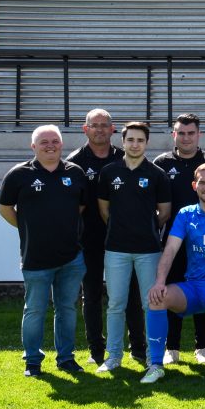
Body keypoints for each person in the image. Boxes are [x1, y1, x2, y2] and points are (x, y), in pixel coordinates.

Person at [0, 125, 88, 377]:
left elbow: (80, 207)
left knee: (66, 309)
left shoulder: (75, 172)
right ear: (33, 146)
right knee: (35, 310)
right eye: (44, 142)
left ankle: (66, 359)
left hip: (71, 257)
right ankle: (33, 361)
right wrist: (28, 227)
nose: (50, 145)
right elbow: (4, 208)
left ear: (61, 144)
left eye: (55, 141)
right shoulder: (19, 174)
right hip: (35, 258)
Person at [144, 164, 205, 385]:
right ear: (194, 185)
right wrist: (159, 282)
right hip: (192, 287)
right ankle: (156, 366)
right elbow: (170, 250)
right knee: (157, 298)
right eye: (202, 183)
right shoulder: (186, 214)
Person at [67, 108, 144, 365]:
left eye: (104, 125)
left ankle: (138, 348)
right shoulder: (75, 161)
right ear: (85, 129)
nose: (99, 129)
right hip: (88, 240)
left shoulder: (125, 157)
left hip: (123, 239)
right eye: (94, 125)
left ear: (113, 129)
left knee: (130, 294)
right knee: (91, 294)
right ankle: (96, 350)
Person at [95, 122, 172, 373]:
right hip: (116, 249)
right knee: (116, 304)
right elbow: (104, 210)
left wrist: (143, 227)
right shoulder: (109, 172)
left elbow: (164, 212)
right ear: (123, 142)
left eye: (140, 140)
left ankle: (153, 357)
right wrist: (122, 228)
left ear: (146, 143)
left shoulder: (156, 174)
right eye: (130, 140)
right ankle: (114, 356)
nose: (135, 144)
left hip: (148, 250)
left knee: (151, 304)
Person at [153, 113, 205, 365]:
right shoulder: (162, 163)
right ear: (174, 135)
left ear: (199, 134)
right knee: (171, 289)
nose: (186, 138)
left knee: (203, 289)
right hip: (173, 239)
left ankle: (202, 347)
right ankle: (171, 347)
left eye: (191, 133)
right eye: (181, 133)